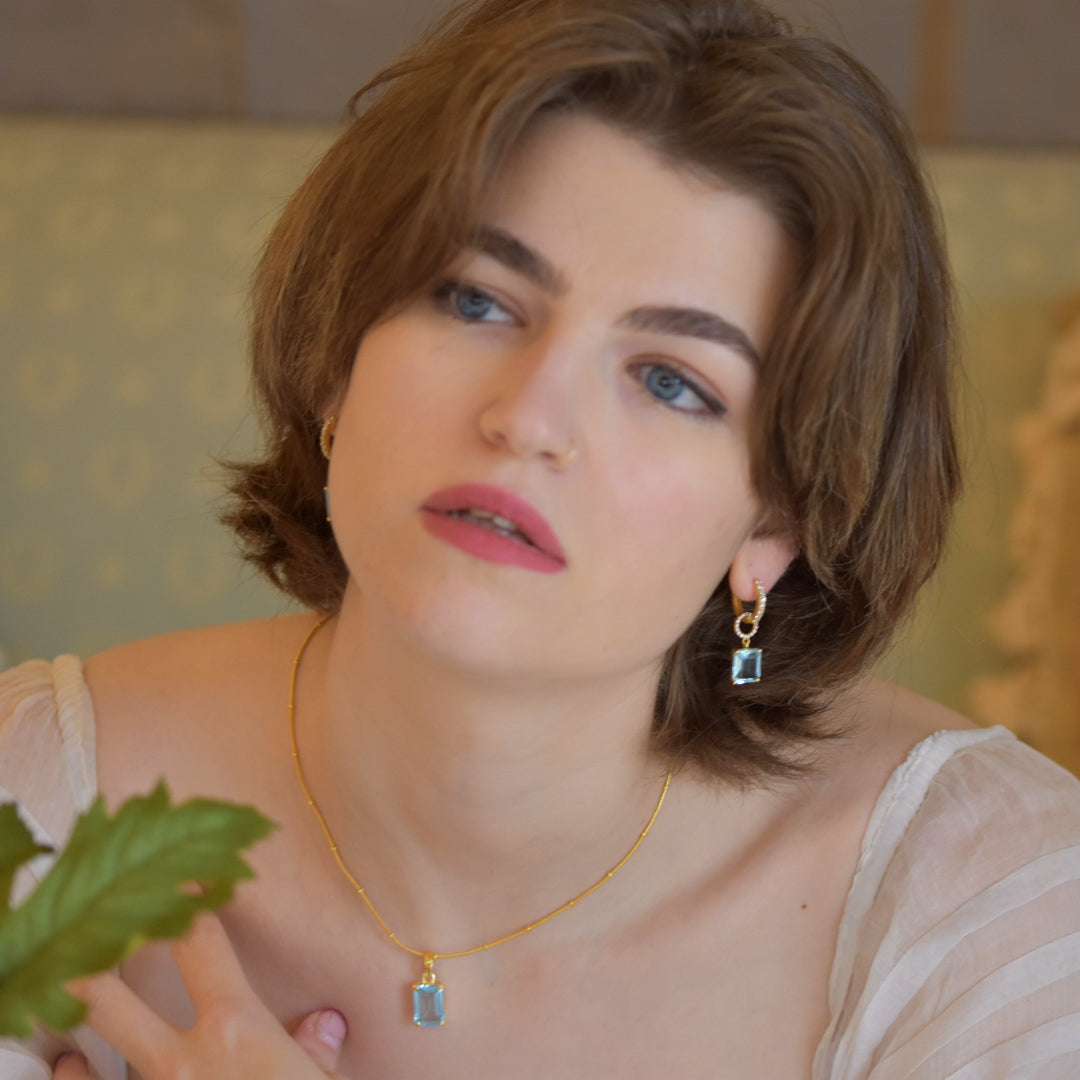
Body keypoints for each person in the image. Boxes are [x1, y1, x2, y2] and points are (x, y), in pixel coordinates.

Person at [2, 0, 1079, 1076]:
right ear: (340, 362)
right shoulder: (37, 804)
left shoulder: (990, 911)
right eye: (476, 300)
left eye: (672, 381)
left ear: (775, 525)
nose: (529, 419)